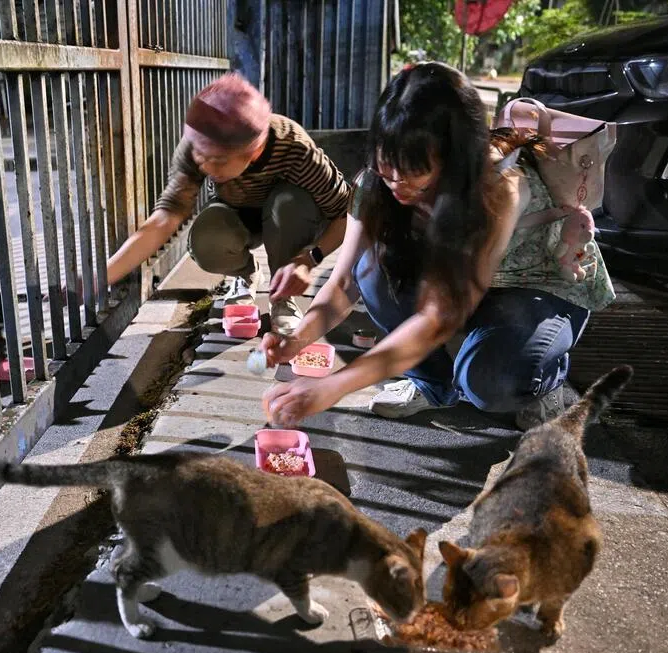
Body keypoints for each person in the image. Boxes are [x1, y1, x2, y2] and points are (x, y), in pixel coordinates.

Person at [261, 62, 615, 431]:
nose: (397, 182)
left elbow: (437, 317)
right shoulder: (375, 184)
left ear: (454, 157)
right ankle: (433, 385)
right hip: (460, 283)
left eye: (416, 170)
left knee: (489, 382)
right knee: (370, 268)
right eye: (388, 162)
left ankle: (545, 379)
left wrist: (334, 386)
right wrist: (295, 339)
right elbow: (343, 283)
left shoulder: (499, 186)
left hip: (534, 289)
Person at [105, 73, 351, 334]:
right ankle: (246, 274)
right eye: (201, 155)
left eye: (218, 160)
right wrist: (101, 278)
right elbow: (164, 219)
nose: (205, 166)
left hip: (289, 218)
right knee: (206, 241)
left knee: (287, 204)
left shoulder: (295, 147)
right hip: (237, 214)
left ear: (254, 151)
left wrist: (308, 260)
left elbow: (348, 214)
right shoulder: (200, 142)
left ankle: (282, 296)